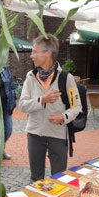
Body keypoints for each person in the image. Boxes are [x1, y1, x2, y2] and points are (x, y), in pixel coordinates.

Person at [19, 34, 82, 182]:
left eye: (35, 52)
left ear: (47, 53)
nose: (31, 56)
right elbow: (22, 105)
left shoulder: (66, 78)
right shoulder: (30, 76)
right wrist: (43, 100)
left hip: (58, 135)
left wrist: (63, 117)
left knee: (59, 179)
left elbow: (77, 106)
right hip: (35, 133)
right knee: (36, 178)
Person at [0, 66, 17, 159]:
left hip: (6, 105)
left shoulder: (5, 70)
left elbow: (11, 86)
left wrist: (13, 100)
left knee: (8, 130)